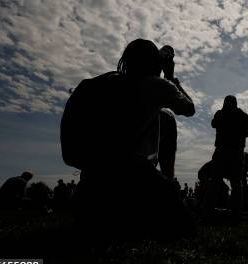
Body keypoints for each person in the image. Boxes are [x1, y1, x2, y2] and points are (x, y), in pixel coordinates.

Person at [72, 39, 196, 238]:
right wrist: (171, 77)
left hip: (91, 186)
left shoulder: (103, 83)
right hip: (131, 177)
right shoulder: (156, 85)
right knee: (185, 227)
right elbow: (189, 109)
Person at [203, 95, 248, 221]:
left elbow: (213, 124)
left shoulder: (220, 114)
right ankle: (236, 215)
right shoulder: (243, 115)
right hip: (236, 152)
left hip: (222, 151)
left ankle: (208, 213)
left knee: (214, 182)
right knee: (236, 183)